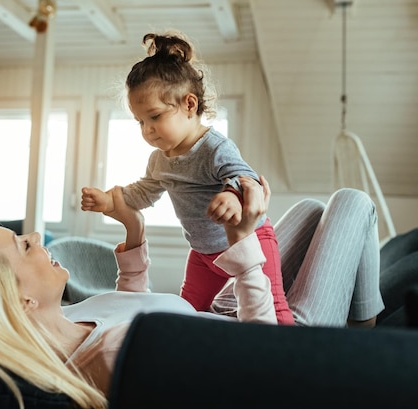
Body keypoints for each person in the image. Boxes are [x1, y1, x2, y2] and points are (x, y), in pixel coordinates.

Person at [0, 177, 384, 408]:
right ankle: (366, 343)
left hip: (226, 311)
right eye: (20, 245)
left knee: (312, 210)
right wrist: (243, 244)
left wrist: (134, 232)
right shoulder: (115, 359)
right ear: (19, 301)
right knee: (352, 202)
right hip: (279, 333)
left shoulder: (76, 318)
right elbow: (264, 368)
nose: (34, 237)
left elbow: (133, 304)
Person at [81, 31, 294, 324]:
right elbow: (145, 192)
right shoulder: (159, 159)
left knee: (274, 307)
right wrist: (109, 199)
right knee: (187, 312)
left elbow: (244, 176)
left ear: (190, 105)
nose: (147, 129)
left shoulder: (214, 148)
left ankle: (291, 352)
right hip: (202, 253)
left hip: (248, 239)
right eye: (140, 121)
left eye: (154, 117)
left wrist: (232, 195)